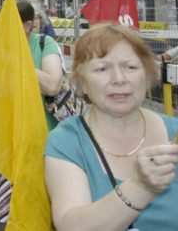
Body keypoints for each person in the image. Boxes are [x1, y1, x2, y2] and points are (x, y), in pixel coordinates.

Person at [45, 23, 178, 230]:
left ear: (147, 75)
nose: (119, 79)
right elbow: (71, 226)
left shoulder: (175, 133)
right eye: (102, 68)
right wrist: (140, 187)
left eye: (131, 67)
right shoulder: (66, 141)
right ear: (83, 82)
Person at [0, 0, 64, 227]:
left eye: (14, 23)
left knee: (47, 203)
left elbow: (52, 85)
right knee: (15, 207)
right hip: (11, 139)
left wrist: (19, 61)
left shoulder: (44, 43)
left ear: (29, 25)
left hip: (46, 138)